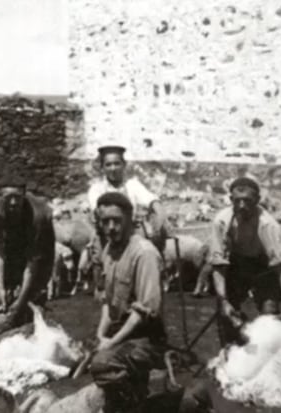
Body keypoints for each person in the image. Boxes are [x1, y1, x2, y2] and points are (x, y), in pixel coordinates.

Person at [89, 192, 166, 413]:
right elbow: (108, 302)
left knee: (102, 364)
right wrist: (100, 335)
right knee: (88, 351)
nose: (111, 227)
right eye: (105, 221)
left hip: (146, 337)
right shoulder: (109, 250)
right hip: (120, 330)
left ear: (130, 219)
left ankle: (137, 403)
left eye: (117, 221)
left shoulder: (144, 253)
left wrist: (110, 343)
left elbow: (143, 313)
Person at [209, 177, 281, 346]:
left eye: (248, 201)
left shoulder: (268, 225)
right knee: (228, 312)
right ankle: (229, 352)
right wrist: (223, 301)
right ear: (230, 200)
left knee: (270, 311)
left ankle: (270, 356)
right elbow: (218, 264)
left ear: (257, 201)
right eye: (237, 201)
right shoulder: (221, 221)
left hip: (262, 264)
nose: (242, 206)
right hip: (235, 263)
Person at [84, 145, 168, 294]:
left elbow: (152, 200)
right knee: (101, 266)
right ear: (102, 167)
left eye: (117, 163)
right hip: (107, 238)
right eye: (108, 164)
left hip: (129, 237)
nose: (113, 168)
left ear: (124, 165)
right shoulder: (96, 189)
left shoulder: (133, 186)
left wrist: (158, 216)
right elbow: (97, 211)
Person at [0, 174, 55, 330]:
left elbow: (32, 264)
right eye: (9, 198)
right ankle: (6, 314)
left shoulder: (38, 214)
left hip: (39, 244)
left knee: (32, 295)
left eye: (18, 197)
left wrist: (21, 301)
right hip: (10, 242)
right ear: (0, 196)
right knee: (7, 294)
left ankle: (33, 326)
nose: (14, 202)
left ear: (25, 195)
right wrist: (1, 289)